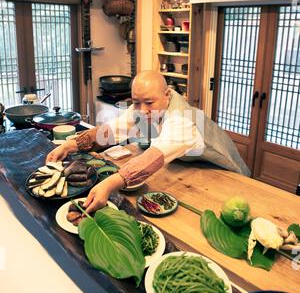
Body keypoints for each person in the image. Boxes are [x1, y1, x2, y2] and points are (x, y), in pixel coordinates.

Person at [46, 71, 250, 213]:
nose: (142, 110)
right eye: (136, 102)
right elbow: (113, 130)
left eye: (149, 103)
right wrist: (70, 145)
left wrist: (109, 184)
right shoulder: (143, 108)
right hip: (187, 168)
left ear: (166, 95)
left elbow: (156, 154)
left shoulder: (183, 119)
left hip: (219, 170)